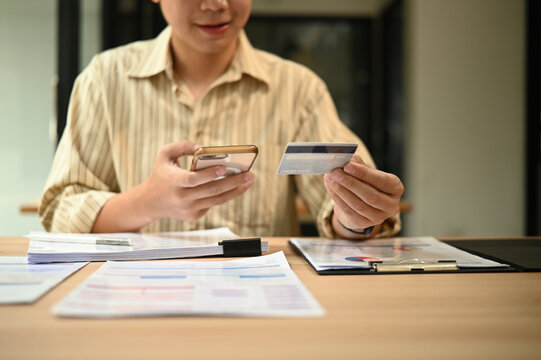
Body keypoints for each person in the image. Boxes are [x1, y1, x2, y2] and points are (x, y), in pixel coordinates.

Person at [39, 0, 404, 239]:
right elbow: (60, 212)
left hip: (261, 303)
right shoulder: (104, 79)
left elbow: (345, 217)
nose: (216, 4)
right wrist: (146, 202)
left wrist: (357, 216)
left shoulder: (299, 88)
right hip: (138, 301)